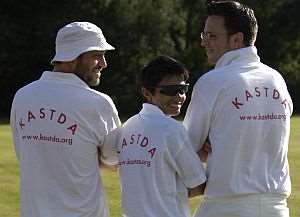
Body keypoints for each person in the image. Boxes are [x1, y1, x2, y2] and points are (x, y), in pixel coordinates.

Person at [183, 1, 293, 217]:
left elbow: (184, 148)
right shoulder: (276, 79)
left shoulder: (212, 82)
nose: (204, 42)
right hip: (277, 208)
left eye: (212, 36)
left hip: (225, 208)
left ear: (236, 39)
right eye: (203, 35)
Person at [10, 22, 121, 217]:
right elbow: (114, 160)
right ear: (71, 56)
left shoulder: (23, 96)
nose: (104, 64)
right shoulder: (98, 103)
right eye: (96, 55)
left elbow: (26, 153)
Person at [117, 56, 206, 217]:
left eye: (183, 89)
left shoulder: (127, 127)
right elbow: (198, 184)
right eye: (170, 90)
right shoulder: (172, 129)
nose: (179, 96)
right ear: (146, 92)